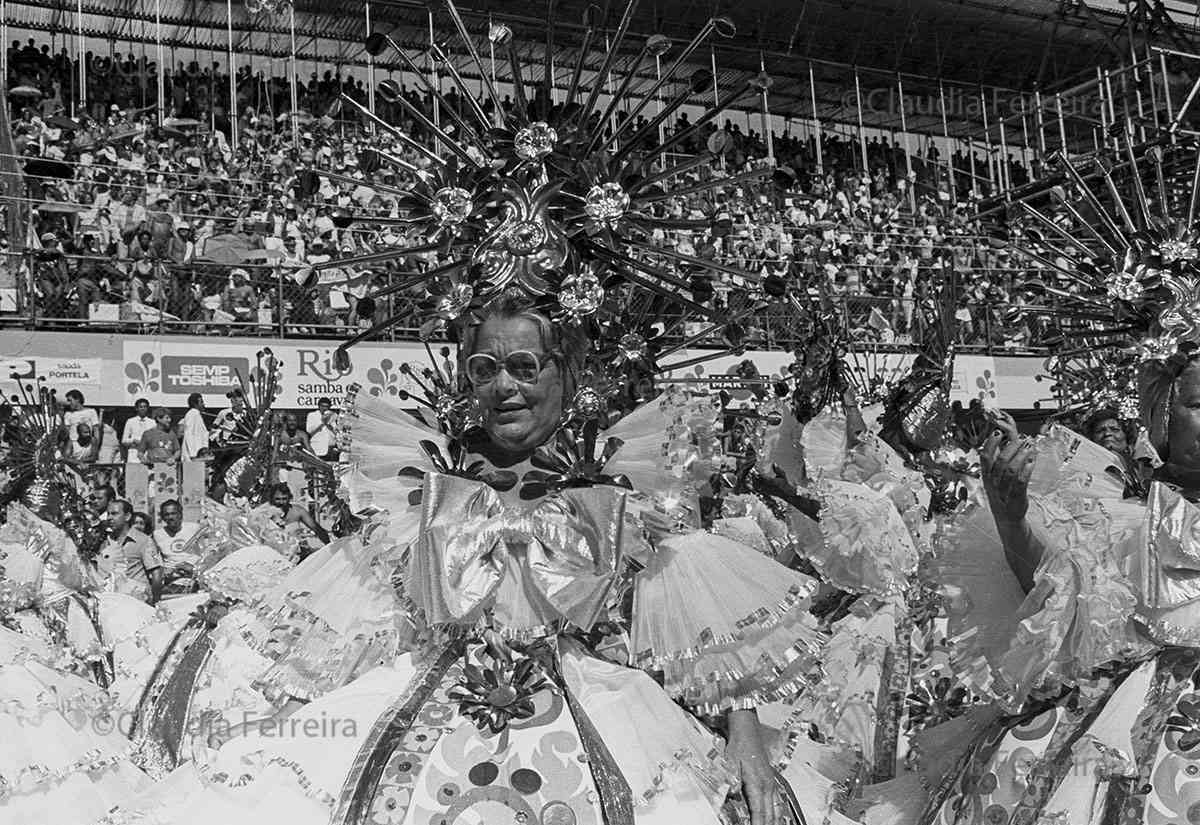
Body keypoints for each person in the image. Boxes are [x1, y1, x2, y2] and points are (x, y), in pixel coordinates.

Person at [94, 498, 164, 603]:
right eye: (108, 514)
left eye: (114, 514)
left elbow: (157, 574)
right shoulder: (104, 541)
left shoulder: (144, 541)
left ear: (127, 516)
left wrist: (155, 602)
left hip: (136, 601)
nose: (109, 518)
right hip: (110, 601)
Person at [152, 498, 201, 591]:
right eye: (166, 514)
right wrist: (165, 571)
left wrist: (193, 567)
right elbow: (155, 559)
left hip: (195, 577)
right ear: (162, 517)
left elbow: (209, 551)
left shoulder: (194, 528)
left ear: (180, 514)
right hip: (172, 581)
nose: (170, 517)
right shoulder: (157, 534)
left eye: (173, 513)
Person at [62, 388, 99, 457]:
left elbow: (96, 430)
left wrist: (96, 446)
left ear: (77, 399)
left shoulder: (91, 412)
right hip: (73, 448)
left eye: (70, 400)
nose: (69, 403)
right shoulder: (68, 414)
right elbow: (66, 433)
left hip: (88, 447)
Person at [122, 397, 156, 463]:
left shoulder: (152, 422)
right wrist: (133, 440)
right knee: (134, 472)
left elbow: (155, 439)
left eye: (145, 407)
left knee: (148, 472)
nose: (143, 409)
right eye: (141, 407)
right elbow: (124, 440)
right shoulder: (130, 421)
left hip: (147, 454)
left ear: (147, 408)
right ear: (136, 408)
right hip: (134, 453)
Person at [180, 392, 209, 461]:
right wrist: (193, 454)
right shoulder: (193, 414)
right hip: (193, 455)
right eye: (201, 402)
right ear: (195, 404)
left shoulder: (196, 414)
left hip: (198, 454)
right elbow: (189, 434)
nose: (203, 404)